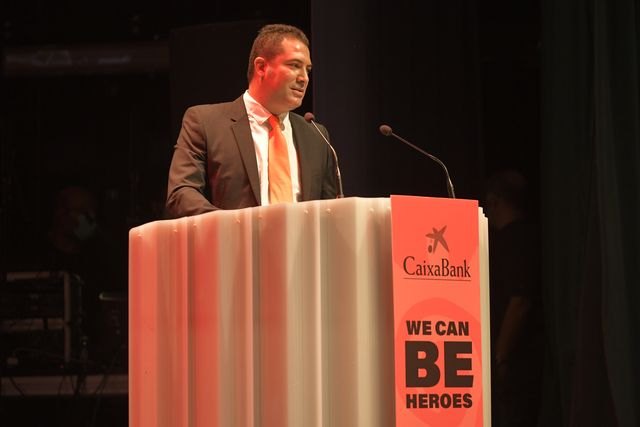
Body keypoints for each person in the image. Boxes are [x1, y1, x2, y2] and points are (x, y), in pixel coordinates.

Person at [166, 24, 338, 218]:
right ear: (261, 67)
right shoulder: (206, 122)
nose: (304, 78)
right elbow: (181, 193)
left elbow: (330, 210)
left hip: (303, 247)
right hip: (234, 246)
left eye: (307, 70)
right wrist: (230, 227)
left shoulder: (316, 135)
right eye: (294, 66)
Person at [484, 169, 544, 427]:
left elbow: (520, 301)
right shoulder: (528, 237)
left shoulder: (516, 241)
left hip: (517, 362)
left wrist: (500, 356)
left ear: (495, 200)